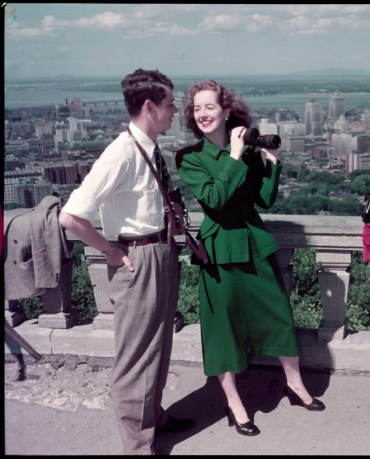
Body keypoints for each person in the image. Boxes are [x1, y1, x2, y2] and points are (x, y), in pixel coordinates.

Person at [176, 80, 325, 437]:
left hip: (254, 245)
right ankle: (234, 402)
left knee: (278, 316)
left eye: (210, 107)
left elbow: (264, 201)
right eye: (197, 109)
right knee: (222, 330)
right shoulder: (189, 158)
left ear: (227, 112)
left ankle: (295, 384)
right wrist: (234, 155)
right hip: (218, 252)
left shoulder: (246, 150)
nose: (203, 114)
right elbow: (215, 199)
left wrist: (271, 163)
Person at [58, 68, 195, 455]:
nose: (176, 110)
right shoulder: (121, 153)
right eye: (170, 104)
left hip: (160, 251)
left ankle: (153, 417)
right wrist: (110, 250)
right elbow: (71, 216)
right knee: (136, 354)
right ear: (149, 106)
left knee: (159, 345)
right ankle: (137, 446)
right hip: (138, 257)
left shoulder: (149, 148)